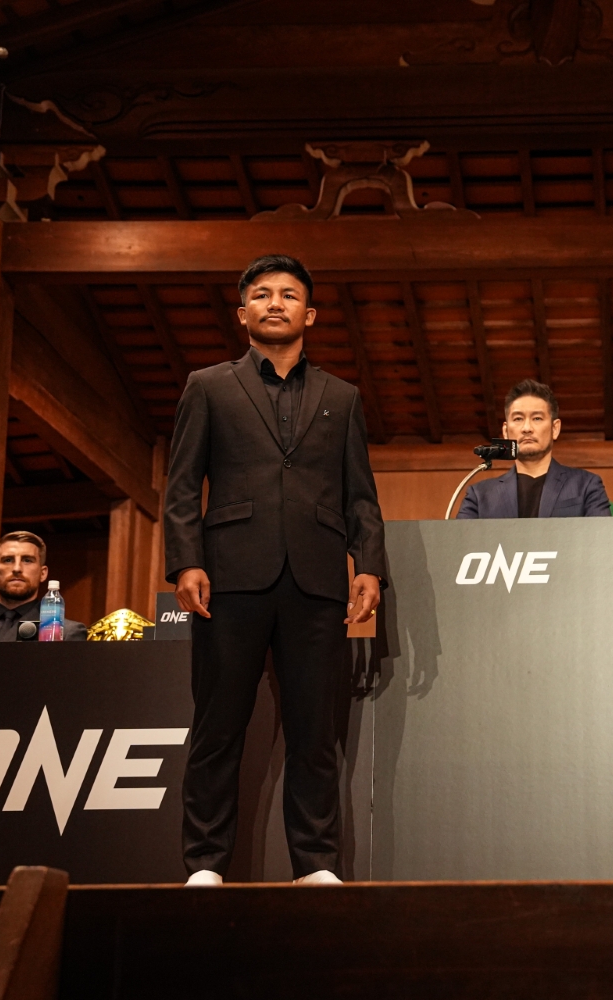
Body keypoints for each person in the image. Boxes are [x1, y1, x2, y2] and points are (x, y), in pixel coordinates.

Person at [164, 253, 387, 887]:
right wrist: (186, 560)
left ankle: (314, 866)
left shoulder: (341, 397)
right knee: (217, 728)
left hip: (317, 581)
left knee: (315, 733)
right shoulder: (206, 386)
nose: (275, 303)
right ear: (243, 314)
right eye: (261, 294)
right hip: (228, 576)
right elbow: (181, 485)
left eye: (289, 294)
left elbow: (360, 495)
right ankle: (205, 865)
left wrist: (368, 566)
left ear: (309, 314)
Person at [455, 379, 611, 518]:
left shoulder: (586, 486)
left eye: (537, 418)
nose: (527, 428)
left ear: (554, 428)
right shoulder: (480, 496)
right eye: (518, 419)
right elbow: (457, 545)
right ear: (505, 431)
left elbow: (603, 542)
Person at [0, 531, 86, 642]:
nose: (17, 568)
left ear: (43, 573)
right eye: (8, 560)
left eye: (27, 560)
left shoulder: (67, 633)